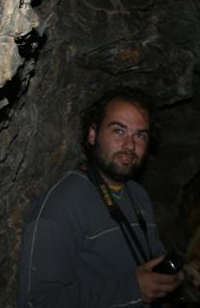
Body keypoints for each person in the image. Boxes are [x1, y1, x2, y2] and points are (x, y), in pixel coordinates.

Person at [18, 87, 183, 308]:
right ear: (92, 134)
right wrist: (133, 290)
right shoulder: (62, 205)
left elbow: (150, 257)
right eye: (118, 131)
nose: (130, 145)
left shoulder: (138, 194)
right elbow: (36, 302)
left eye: (140, 135)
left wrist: (166, 278)